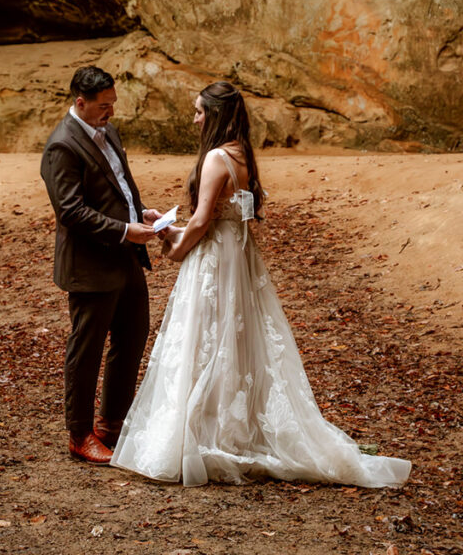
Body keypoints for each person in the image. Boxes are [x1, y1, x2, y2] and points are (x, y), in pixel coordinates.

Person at [110, 81, 411, 487]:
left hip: (216, 261)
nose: (195, 118)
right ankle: (228, 426)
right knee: (231, 340)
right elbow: (219, 218)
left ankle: (207, 433)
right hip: (237, 255)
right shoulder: (241, 154)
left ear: (214, 114)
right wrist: (169, 230)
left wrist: (175, 246)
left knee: (206, 339)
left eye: (199, 111)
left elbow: (202, 223)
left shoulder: (217, 157)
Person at [40, 66, 161, 464]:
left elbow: (119, 185)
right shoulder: (62, 146)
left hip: (126, 255)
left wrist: (139, 213)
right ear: (81, 103)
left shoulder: (108, 131)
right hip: (91, 265)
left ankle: (113, 423)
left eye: (113, 104)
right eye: (103, 106)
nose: (111, 112)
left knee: (132, 337)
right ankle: (79, 435)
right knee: (86, 348)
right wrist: (125, 230)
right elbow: (71, 211)